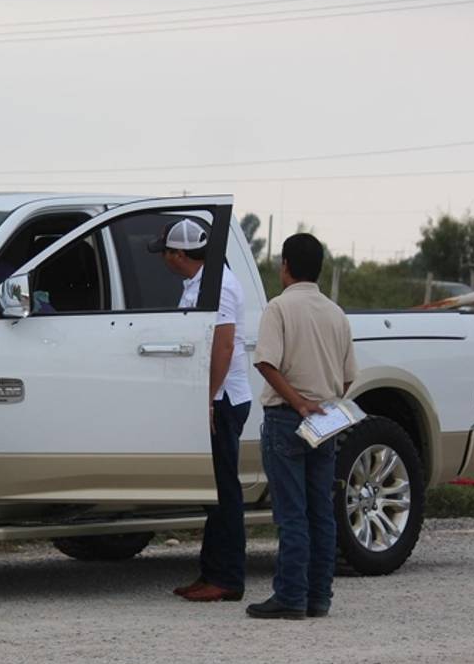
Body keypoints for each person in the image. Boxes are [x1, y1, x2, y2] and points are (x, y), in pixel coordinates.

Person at [247, 233, 356, 620]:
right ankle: (318, 596)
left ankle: (290, 595)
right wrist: (321, 404)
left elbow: (266, 362)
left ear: (286, 266)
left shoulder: (278, 308)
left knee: (291, 513)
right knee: (320, 512)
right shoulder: (335, 313)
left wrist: (297, 403)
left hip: (287, 418)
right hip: (325, 421)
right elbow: (347, 379)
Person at [148, 218, 253, 602]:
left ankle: (227, 578)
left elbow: (223, 347)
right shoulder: (201, 282)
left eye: (166, 252)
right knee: (214, 491)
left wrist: (206, 398)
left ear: (179, 254)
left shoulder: (219, 286)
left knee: (224, 490)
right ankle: (212, 571)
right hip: (215, 397)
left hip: (223, 400)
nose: (163, 258)